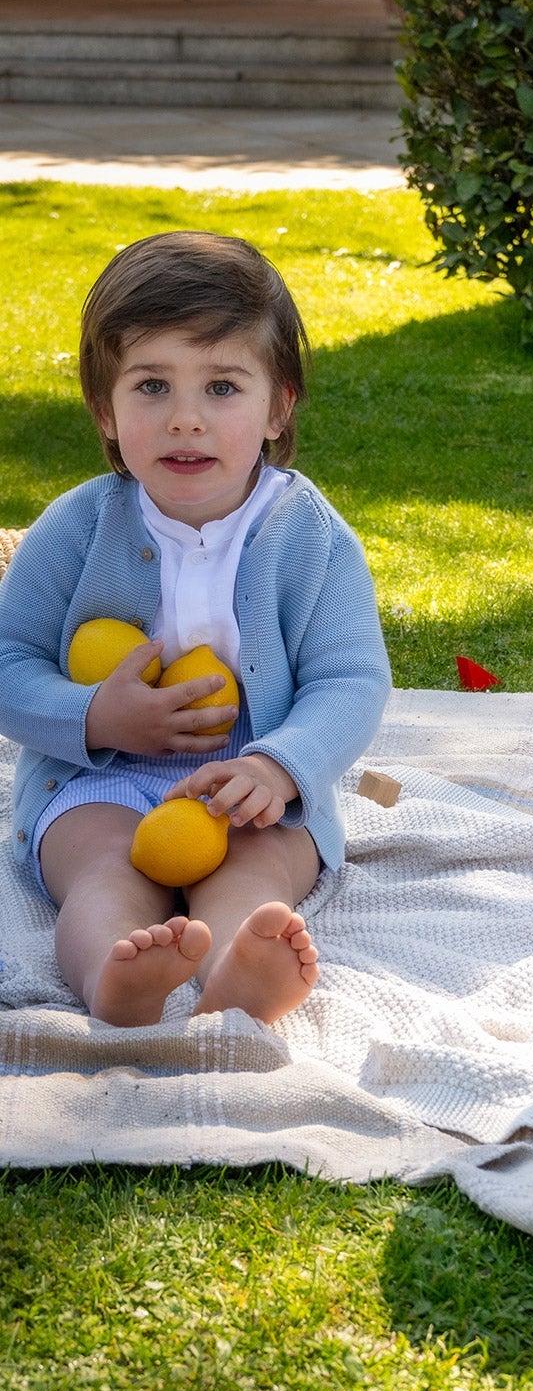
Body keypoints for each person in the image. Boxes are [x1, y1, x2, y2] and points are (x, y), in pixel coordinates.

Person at [0, 231, 391, 1030]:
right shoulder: (77, 529)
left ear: (278, 405)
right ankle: (115, 975)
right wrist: (94, 718)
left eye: (221, 387)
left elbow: (350, 677)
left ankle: (241, 966)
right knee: (102, 866)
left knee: (254, 868)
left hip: (250, 787)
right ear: (104, 411)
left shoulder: (308, 536)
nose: (185, 421)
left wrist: (282, 767)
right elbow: (8, 658)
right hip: (96, 777)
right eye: (151, 386)